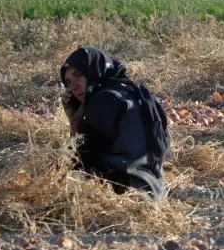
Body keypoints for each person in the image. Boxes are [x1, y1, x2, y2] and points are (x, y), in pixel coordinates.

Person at [60, 46, 170, 201]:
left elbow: (76, 162)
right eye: (68, 82)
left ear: (94, 70)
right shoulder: (139, 94)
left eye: (78, 75)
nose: (74, 86)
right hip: (155, 193)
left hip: (121, 197)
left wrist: (75, 121)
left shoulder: (104, 101)